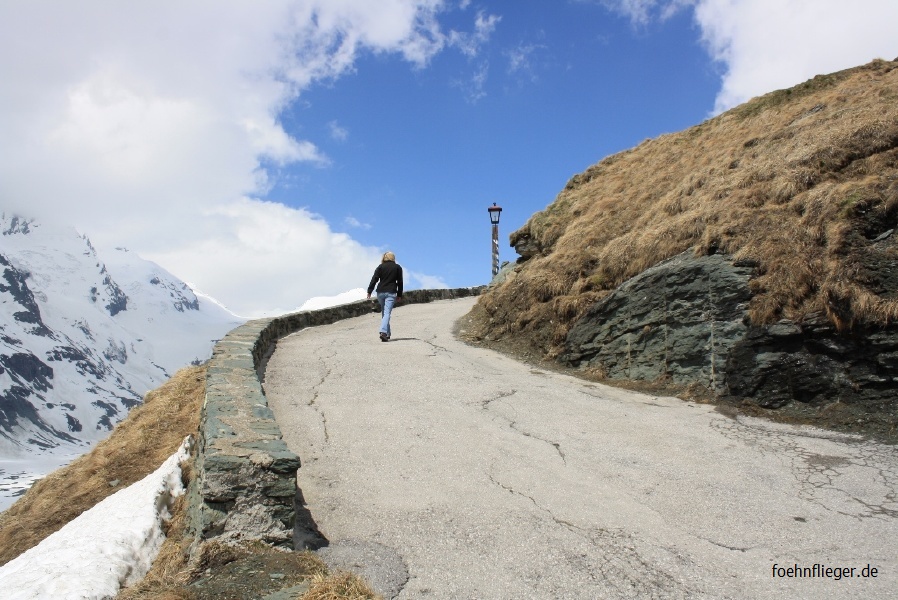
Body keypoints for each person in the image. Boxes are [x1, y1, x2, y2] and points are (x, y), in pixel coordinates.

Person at [366, 251, 403, 342]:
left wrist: (369, 291)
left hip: (380, 292)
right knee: (387, 313)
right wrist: (399, 294)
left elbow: (374, 279)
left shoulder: (380, 267)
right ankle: (383, 332)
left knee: (384, 313)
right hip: (391, 292)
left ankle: (387, 334)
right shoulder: (397, 267)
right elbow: (400, 282)